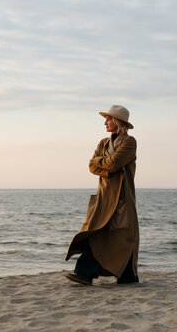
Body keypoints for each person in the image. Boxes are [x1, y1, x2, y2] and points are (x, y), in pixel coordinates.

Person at [65, 105, 139, 285]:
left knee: (123, 237)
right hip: (104, 198)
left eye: (109, 119)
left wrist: (102, 165)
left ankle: (126, 275)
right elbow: (92, 166)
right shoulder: (103, 143)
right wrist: (106, 166)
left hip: (122, 199)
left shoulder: (129, 142)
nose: (105, 122)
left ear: (118, 122)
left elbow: (115, 163)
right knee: (97, 233)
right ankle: (85, 272)